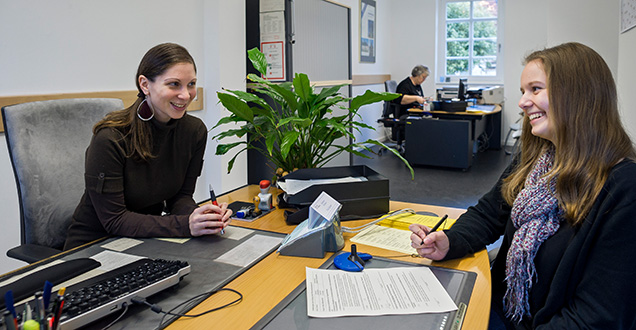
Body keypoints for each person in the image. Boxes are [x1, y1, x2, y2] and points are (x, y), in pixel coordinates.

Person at [410, 42, 636, 329]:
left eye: (536, 89)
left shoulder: (623, 188)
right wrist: (450, 241)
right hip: (501, 308)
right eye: (523, 91)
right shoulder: (538, 158)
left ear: (578, 95)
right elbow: (489, 214)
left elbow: (596, 318)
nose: (522, 102)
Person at [64, 43, 232, 250]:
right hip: (95, 247)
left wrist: (203, 218)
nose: (186, 95)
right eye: (174, 84)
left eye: (191, 84)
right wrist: (185, 225)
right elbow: (114, 220)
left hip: (145, 242)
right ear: (145, 85)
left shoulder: (194, 132)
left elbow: (180, 198)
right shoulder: (111, 138)